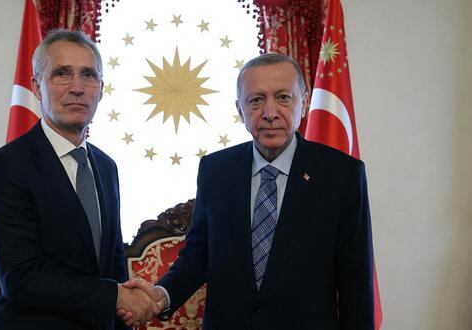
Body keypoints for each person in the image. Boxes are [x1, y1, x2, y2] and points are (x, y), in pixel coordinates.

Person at [120, 53, 375, 329]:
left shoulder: (342, 175)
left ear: (305, 101)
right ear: (240, 109)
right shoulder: (216, 170)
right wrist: (163, 295)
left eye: (283, 97)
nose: (269, 112)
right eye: (256, 100)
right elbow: (199, 253)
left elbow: (356, 283)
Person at [0, 29, 161, 330]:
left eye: (88, 75)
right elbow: (21, 280)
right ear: (37, 87)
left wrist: (126, 306)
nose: (77, 87)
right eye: (62, 74)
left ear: (101, 88)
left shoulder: (105, 167)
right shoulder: (5, 169)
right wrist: (116, 297)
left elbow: (111, 264)